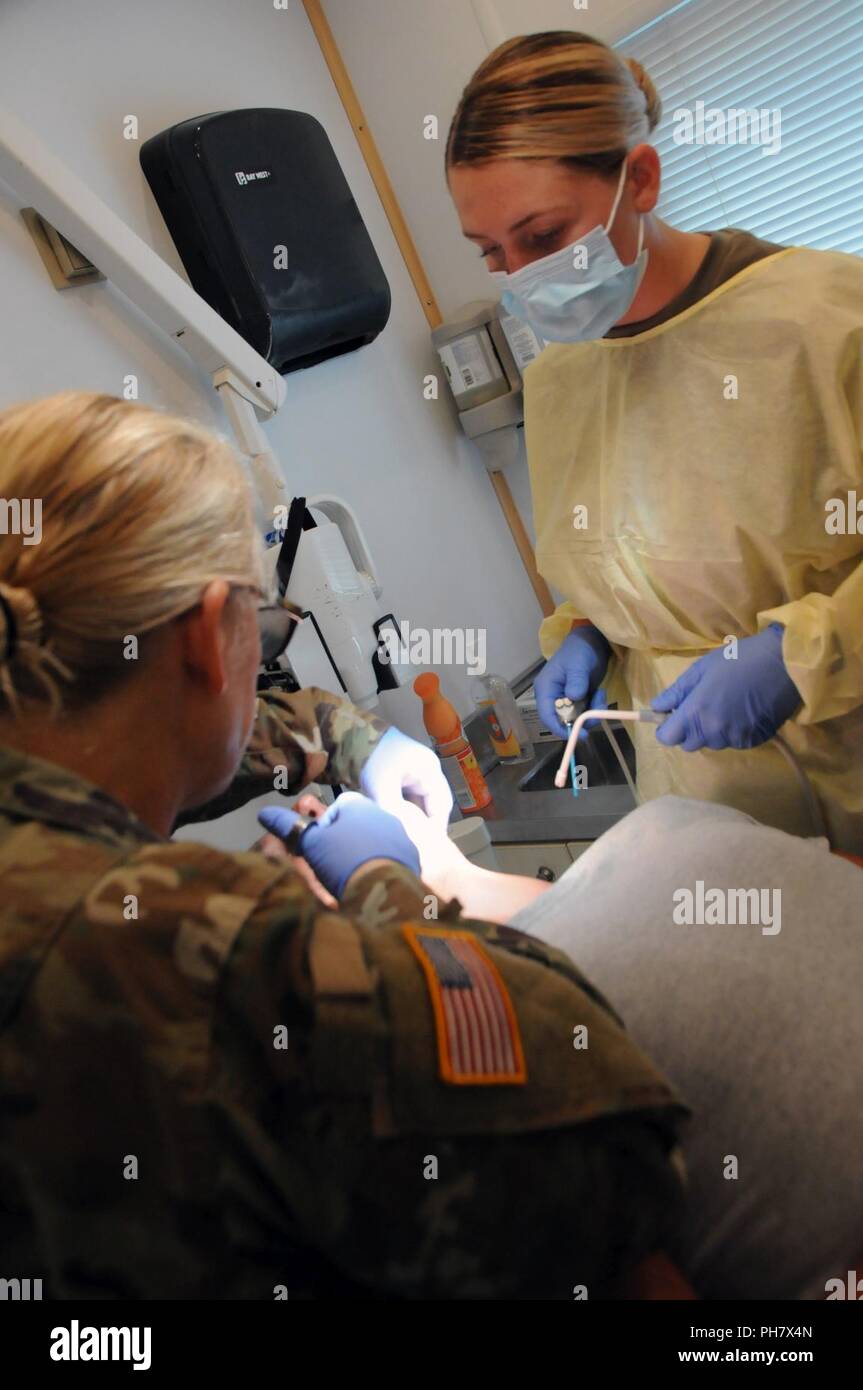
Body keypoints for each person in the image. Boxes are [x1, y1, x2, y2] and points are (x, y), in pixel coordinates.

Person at [0, 390, 686, 1299]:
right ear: (211, 634)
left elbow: (201, 731)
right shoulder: (228, 954)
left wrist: (349, 735)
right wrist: (384, 888)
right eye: (267, 626)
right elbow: (588, 1161)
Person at [444, 30, 863, 852]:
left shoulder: (827, 319)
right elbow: (626, 555)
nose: (519, 276)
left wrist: (801, 652)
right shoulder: (561, 376)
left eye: (540, 236)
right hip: (703, 814)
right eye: (492, 252)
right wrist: (592, 630)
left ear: (638, 179)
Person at [262, 788, 863, 1301]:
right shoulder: (487, 1078)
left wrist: (440, 874)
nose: (314, 816)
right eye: (283, 871)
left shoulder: (656, 829)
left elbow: (844, 873)